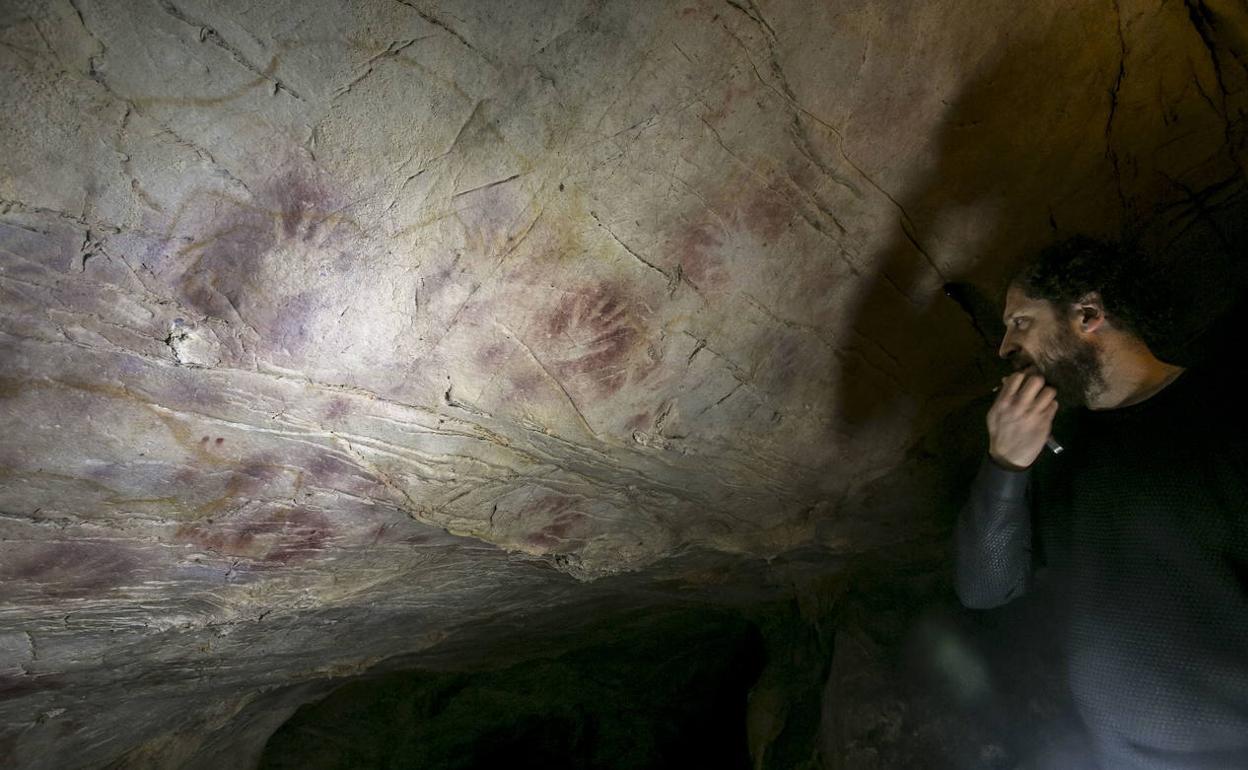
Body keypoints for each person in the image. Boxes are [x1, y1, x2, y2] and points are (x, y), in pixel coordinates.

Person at [955, 236, 1248, 769]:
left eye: (1020, 321)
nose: (1004, 347)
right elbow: (984, 587)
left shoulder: (1227, 415)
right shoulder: (1054, 449)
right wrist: (1005, 466)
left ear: (1088, 314)